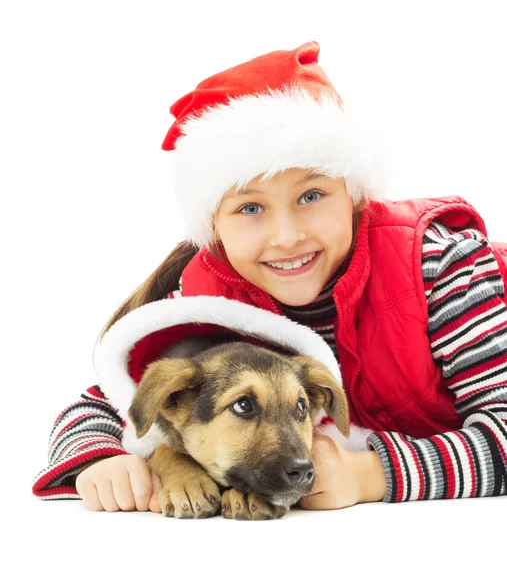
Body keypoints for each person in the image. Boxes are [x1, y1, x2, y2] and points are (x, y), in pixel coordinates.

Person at [32, 41, 507, 513]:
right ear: (214, 227)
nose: (286, 236)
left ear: (356, 196)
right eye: (250, 207)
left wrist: (368, 475)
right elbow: (99, 406)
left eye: (311, 195)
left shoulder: (440, 269)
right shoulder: (208, 298)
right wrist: (104, 460)